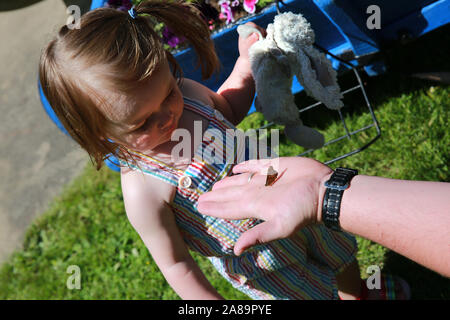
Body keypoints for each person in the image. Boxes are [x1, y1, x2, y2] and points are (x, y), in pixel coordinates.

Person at [39, 0, 408, 300]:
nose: (167, 115)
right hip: (262, 260)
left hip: (287, 190)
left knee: (340, 254)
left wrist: (247, 64)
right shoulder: (143, 188)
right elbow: (176, 264)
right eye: (141, 124)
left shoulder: (191, 98)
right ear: (97, 133)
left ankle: (355, 294)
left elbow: (229, 107)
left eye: (168, 92)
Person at [197, 157, 450, 280]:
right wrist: (321, 189)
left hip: (316, 227)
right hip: (275, 269)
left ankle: (360, 295)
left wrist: (322, 191)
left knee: (341, 259)